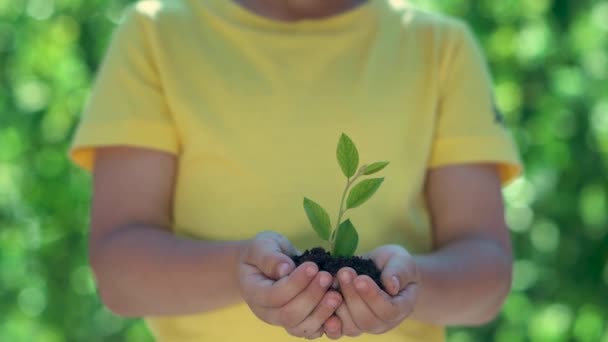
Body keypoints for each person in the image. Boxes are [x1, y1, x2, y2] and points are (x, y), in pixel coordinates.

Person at [69, 0, 522, 340]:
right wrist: (238, 272)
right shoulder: (157, 34)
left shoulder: (439, 48)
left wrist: (407, 286)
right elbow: (119, 273)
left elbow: (486, 273)